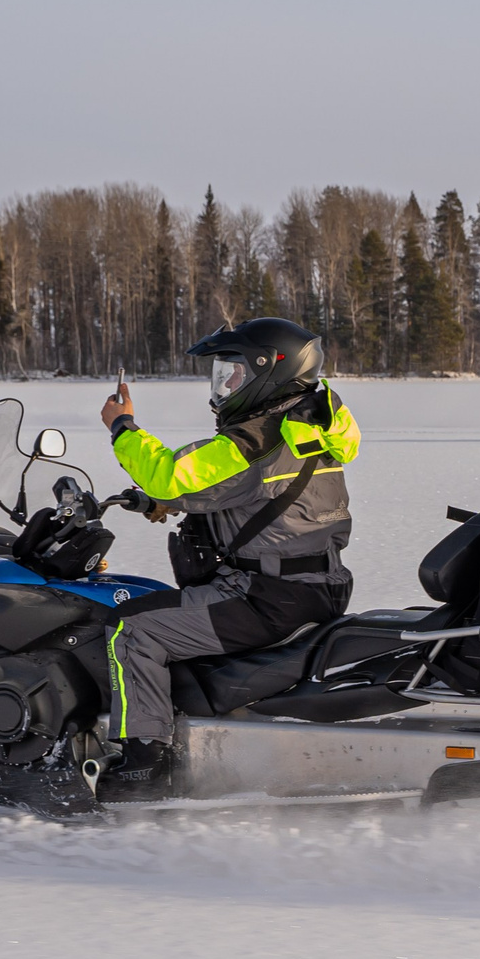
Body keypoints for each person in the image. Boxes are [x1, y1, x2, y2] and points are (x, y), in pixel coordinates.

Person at [92, 318, 361, 801]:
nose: (225, 386)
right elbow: (254, 494)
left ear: (268, 372)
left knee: (132, 628)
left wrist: (122, 427)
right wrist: (167, 506)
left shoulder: (256, 439)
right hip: (315, 586)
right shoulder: (310, 423)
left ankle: (145, 764)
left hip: (267, 597)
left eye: (233, 374)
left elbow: (171, 475)